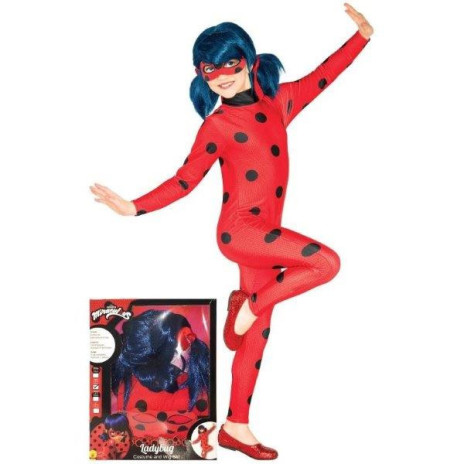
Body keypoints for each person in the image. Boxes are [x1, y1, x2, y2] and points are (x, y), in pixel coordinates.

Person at [90, 3, 374, 459]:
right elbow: (185, 180)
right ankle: (248, 306)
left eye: (229, 64)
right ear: (200, 75)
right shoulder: (218, 126)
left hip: (266, 236)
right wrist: (134, 207)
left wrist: (361, 36)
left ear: (248, 61)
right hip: (240, 233)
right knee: (326, 263)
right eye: (209, 69)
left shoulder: (279, 103)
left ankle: (235, 426)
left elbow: (324, 76)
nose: (221, 76)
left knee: (257, 335)